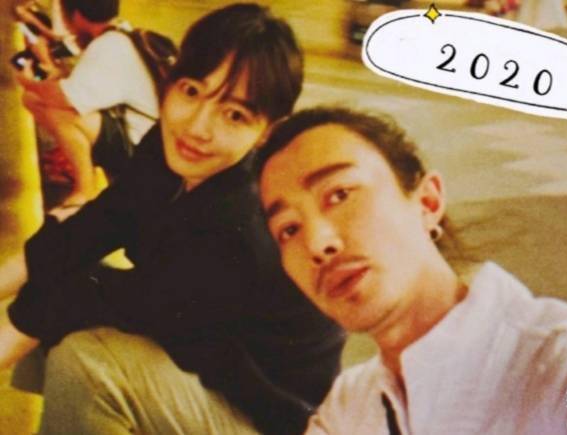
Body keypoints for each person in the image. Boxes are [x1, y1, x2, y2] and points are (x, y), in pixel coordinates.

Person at [0, 5, 344, 434]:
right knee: (62, 286)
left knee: (86, 357)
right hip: (212, 355)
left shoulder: (242, 220)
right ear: (170, 83)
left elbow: (89, 298)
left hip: (270, 415)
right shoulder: (166, 154)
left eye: (235, 114)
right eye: (192, 91)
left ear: (267, 132)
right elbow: (89, 230)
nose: (198, 127)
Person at [257, 107, 567, 435]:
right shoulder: (350, 405)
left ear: (427, 202)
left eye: (339, 194)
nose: (316, 243)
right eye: (289, 229)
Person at [15, 0, 159, 207]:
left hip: (140, 152)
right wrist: (53, 69)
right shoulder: (121, 34)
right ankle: (87, 172)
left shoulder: (108, 46)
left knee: (58, 111)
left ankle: (85, 190)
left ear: (77, 16)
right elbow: (84, 87)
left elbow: (65, 99)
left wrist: (29, 81)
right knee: (39, 100)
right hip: (147, 142)